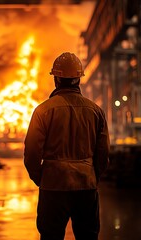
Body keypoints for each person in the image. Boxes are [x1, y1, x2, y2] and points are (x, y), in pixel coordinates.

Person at [24, 52, 110, 240]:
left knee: (51, 236)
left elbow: (31, 154)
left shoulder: (42, 111)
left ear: (56, 79)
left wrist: (42, 177)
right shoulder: (96, 111)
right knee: (88, 236)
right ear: (79, 79)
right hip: (85, 186)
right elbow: (103, 154)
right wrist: (92, 175)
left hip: (53, 186)